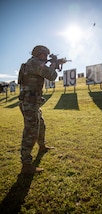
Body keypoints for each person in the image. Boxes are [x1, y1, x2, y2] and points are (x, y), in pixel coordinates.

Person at [18, 45, 58, 174]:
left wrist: (53, 63)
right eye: (44, 55)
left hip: (31, 102)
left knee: (41, 125)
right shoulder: (35, 63)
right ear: (39, 54)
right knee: (30, 131)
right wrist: (53, 65)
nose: (46, 57)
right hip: (29, 103)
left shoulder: (31, 63)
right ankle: (26, 164)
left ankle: (42, 146)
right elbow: (51, 76)